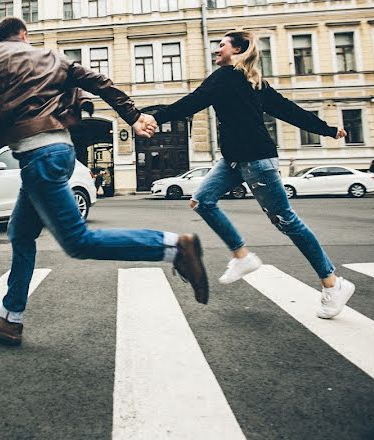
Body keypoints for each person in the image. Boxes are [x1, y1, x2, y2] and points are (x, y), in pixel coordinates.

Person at [0, 17, 209, 345]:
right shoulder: (54, 58)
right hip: (61, 151)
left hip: (39, 156)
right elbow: (100, 82)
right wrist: (134, 116)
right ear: (24, 36)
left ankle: (174, 247)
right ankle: (10, 318)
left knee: (79, 242)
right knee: (21, 234)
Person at [147, 30, 355, 319]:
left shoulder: (233, 77)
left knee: (287, 221)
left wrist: (154, 117)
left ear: (237, 50)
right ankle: (242, 256)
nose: (216, 51)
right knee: (202, 201)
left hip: (257, 160)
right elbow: (290, 111)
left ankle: (333, 283)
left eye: (221, 46)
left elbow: (194, 102)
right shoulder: (243, 80)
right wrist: (329, 129)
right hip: (233, 160)